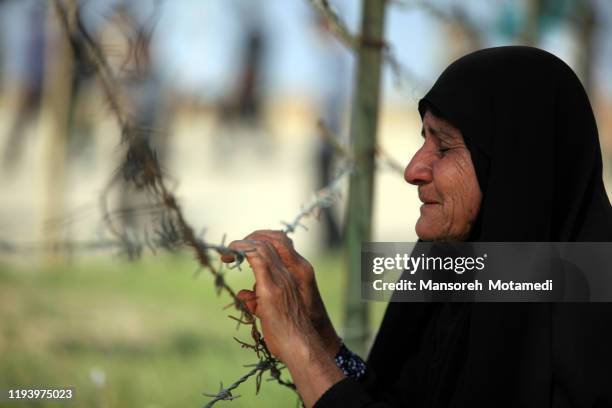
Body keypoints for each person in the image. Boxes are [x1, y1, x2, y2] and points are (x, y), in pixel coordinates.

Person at [221, 46, 612, 407]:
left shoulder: (591, 331)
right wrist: (321, 338)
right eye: (423, 139)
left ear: (516, 170)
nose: (413, 170)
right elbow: (403, 398)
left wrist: (300, 347)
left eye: (443, 147)